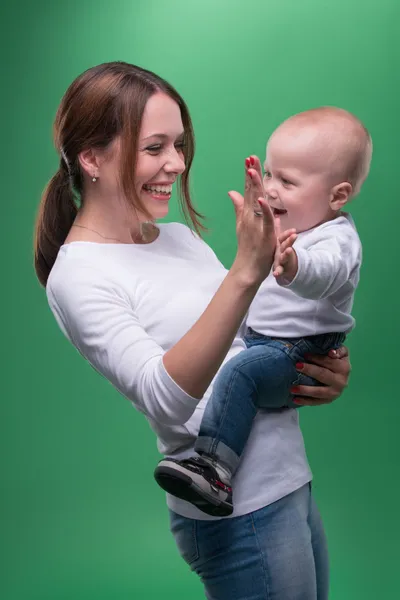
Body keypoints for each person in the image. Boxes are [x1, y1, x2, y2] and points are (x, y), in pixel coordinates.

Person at [33, 61, 351, 600]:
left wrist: (318, 366)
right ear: (91, 158)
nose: (177, 164)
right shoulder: (79, 275)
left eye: (179, 145)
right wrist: (247, 271)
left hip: (288, 482)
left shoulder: (177, 237)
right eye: (154, 147)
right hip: (237, 517)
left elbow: (249, 340)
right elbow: (164, 398)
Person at [154, 107, 372, 517]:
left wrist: (293, 267)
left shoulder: (336, 239)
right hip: (271, 344)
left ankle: (214, 467)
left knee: (242, 371)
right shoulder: (286, 226)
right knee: (242, 366)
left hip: (298, 352)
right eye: (269, 174)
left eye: (287, 181)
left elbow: (326, 273)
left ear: (337, 196)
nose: (271, 190)